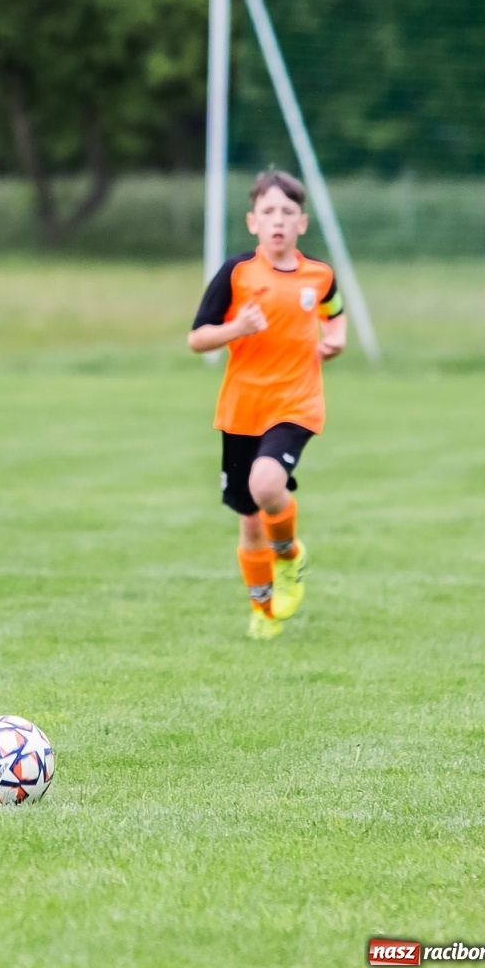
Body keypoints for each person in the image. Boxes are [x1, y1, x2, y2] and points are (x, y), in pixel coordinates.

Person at [186, 169, 347, 639]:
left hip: (296, 402)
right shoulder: (236, 274)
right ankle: (263, 609)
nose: (279, 220)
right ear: (252, 221)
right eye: (269, 212)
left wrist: (334, 341)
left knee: (267, 483)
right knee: (250, 520)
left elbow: (334, 313)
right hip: (241, 408)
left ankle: (290, 556)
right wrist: (237, 329)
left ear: (303, 223)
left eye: (288, 212)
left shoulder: (319, 275)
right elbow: (198, 338)